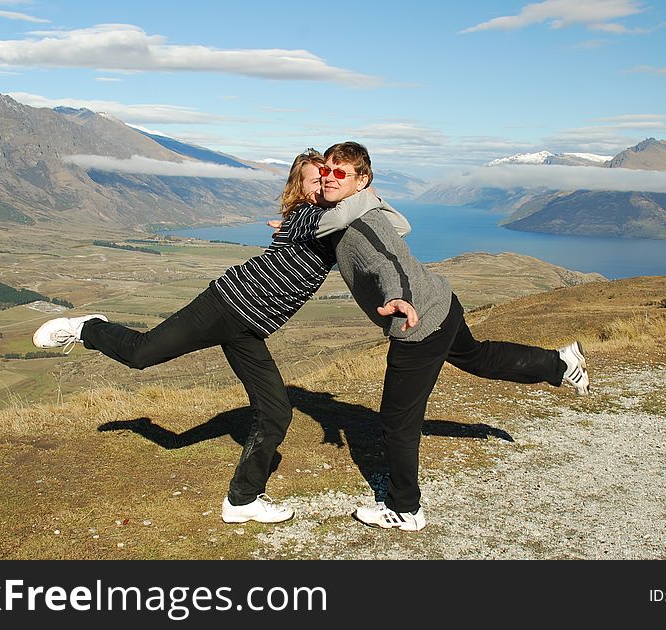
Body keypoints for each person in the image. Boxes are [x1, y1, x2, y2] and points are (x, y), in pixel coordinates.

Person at [31, 149, 408, 525]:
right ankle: (87, 328)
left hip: (250, 328)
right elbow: (351, 215)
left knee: (275, 413)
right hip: (224, 305)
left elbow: (399, 226)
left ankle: (243, 500)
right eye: (317, 177)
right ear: (300, 186)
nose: (325, 181)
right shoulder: (309, 217)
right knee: (141, 354)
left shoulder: (329, 218)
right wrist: (364, 191)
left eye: (331, 175)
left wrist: (364, 193)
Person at [305, 142, 590, 532]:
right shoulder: (353, 211)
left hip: (418, 322)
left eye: (340, 173)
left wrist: (397, 299)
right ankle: (560, 364)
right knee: (479, 358)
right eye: (327, 170)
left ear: (361, 181)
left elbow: (388, 264)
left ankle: (405, 509)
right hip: (443, 302)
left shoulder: (359, 224)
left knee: (396, 420)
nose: (329, 178)